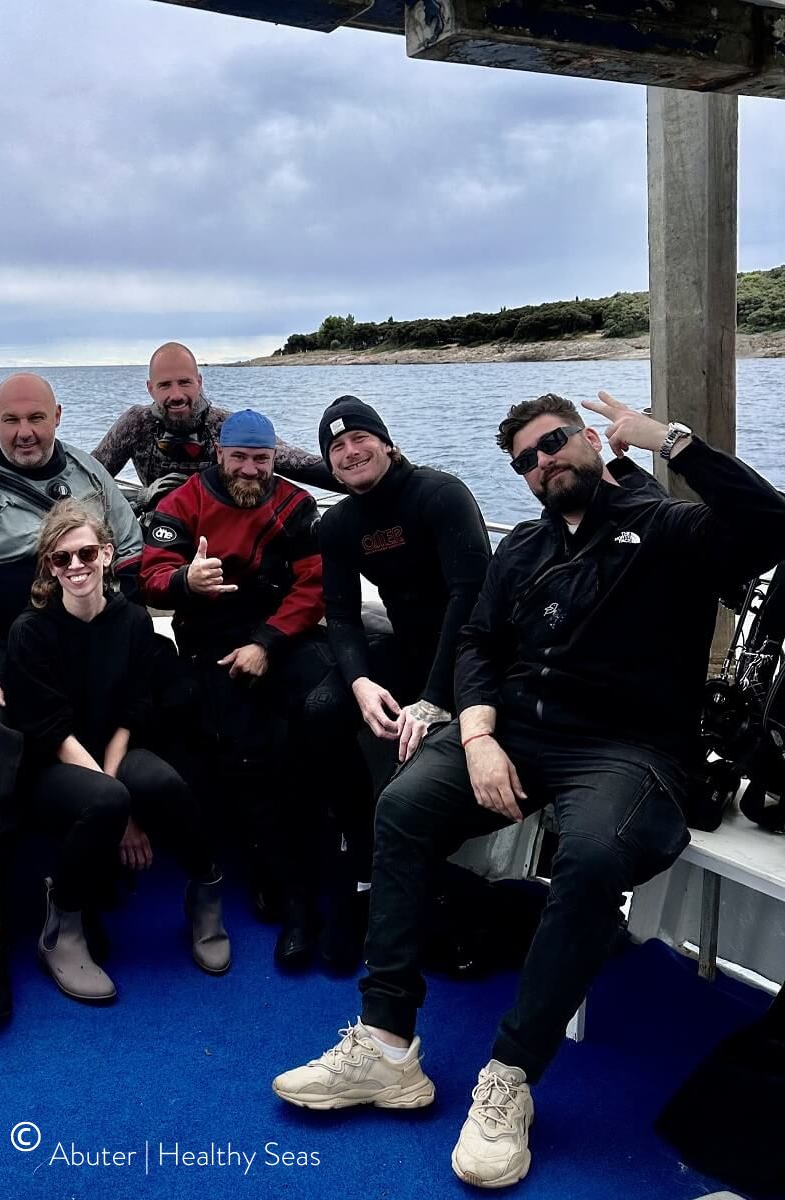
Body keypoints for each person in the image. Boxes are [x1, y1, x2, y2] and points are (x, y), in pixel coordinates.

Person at [272, 390, 785, 1189]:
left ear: (588, 439)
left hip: (627, 748)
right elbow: (478, 639)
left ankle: (510, 1075)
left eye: (553, 444)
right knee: (403, 807)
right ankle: (385, 1047)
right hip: (515, 731)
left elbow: (770, 525)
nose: (543, 463)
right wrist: (474, 735)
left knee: (587, 859)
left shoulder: (666, 529)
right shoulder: (524, 552)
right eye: (525, 460)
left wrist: (671, 440)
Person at [0, 372, 143, 1014]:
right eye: (12, 421)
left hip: (67, 636)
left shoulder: (91, 475)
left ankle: (80, 893)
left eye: (37, 418)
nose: (25, 433)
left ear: (58, 415)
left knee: (146, 703)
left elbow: (127, 554)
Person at [140, 408, 354, 969]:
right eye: (241, 457)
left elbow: (314, 587)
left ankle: (344, 885)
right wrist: (186, 580)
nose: (252, 470)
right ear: (221, 454)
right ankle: (291, 897)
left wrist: (266, 642)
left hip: (280, 635)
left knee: (320, 717)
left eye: (262, 459)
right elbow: (151, 576)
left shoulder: (295, 505)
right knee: (249, 749)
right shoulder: (181, 503)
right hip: (211, 642)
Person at [6, 500, 229, 1002]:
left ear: (107, 554)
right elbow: (51, 731)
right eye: (61, 559)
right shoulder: (31, 631)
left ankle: (207, 889)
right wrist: (118, 802)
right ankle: (60, 930)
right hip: (55, 764)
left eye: (86, 553)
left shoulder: (130, 621)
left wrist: (120, 786)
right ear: (49, 567)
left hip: (114, 745)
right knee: (106, 801)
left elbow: (134, 710)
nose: (76, 566)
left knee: (164, 784)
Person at [315, 395, 492, 969]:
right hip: (406, 655)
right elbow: (340, 615)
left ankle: (428, 886)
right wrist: (362, 682)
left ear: (386, 443)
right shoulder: (339, 523)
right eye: (336, 447)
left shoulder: (439, 495)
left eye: (359, 439)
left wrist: (434, 700)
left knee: (422, 757)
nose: (349, 451)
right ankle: (360, 871)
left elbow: (471, 598)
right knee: (322, 710)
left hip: (472, 659)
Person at [92, 341, 340, 511]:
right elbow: (87, 478)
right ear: (150, 388)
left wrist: (365, 478)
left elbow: (296, 463)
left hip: (220, 528)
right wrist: (140, 498)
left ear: (199, 382)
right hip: (160, 528)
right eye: (165, 385)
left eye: (185, 382)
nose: (176, 394)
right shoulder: (137, 424)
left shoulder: (225, 426)